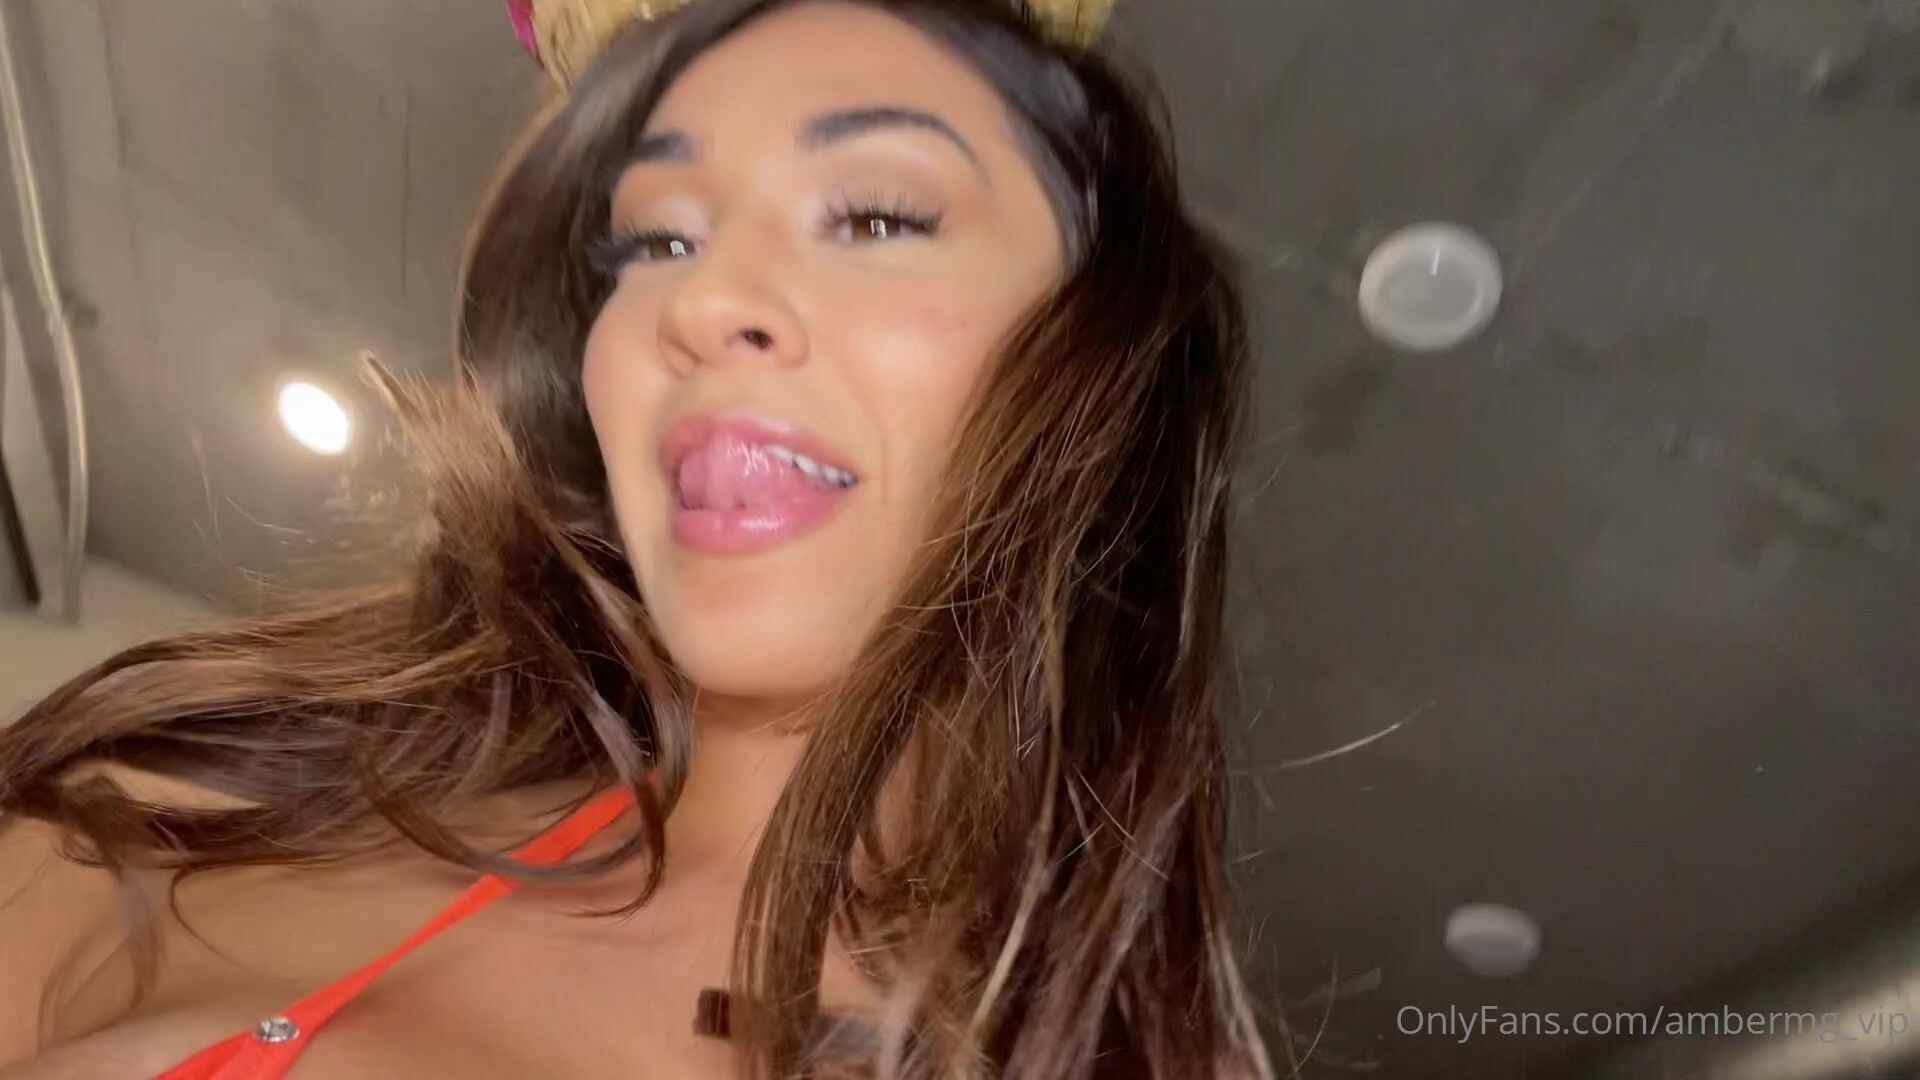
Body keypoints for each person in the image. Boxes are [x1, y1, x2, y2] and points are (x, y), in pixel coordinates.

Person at [0, 0, 1277, 1076]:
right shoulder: (154, 838)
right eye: (656, 240)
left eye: (878, 216)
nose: (701, 298)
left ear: (1108, 348)